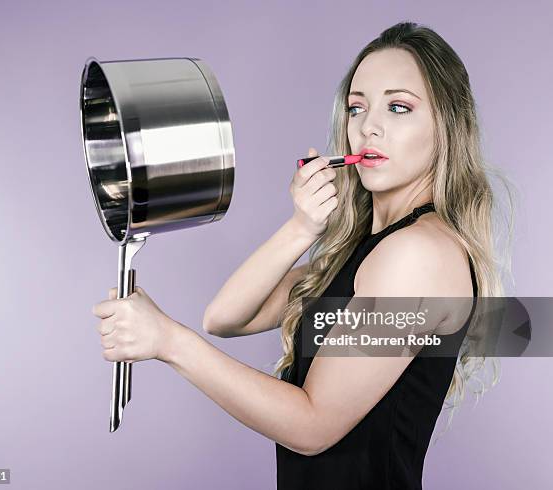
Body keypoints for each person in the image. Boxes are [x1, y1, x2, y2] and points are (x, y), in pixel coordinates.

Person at [92, 21, 512, 489]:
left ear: (446, 126)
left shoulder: (418, 253)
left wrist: (168, 341)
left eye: (398, 107)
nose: (368, 126)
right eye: (357, 107)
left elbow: (313, 426)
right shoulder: (370, 249)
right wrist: (301, 227)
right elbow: (226, 317)